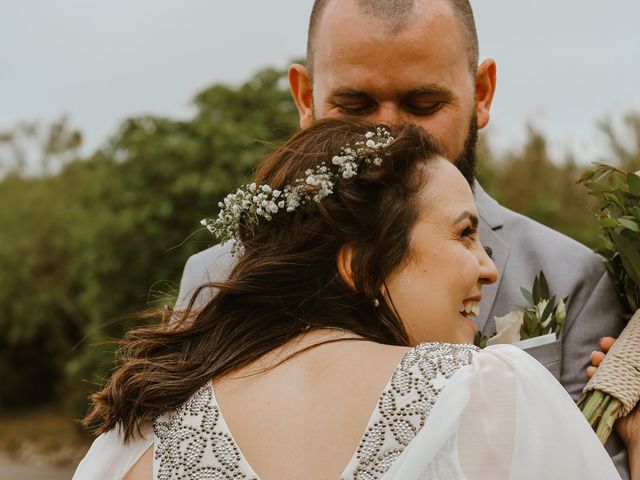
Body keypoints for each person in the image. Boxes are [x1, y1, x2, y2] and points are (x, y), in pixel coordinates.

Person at [175, 0, 630, 476]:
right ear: (305, 99)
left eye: (423, 104)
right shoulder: (218, 276)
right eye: (354, 105)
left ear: (481, 93)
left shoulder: (572, 279)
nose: (389, 132)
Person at [73, 120, 626, 479]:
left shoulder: (137, 436)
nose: (486, 266)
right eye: (463, 233)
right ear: (359, 263)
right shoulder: (494, 391)